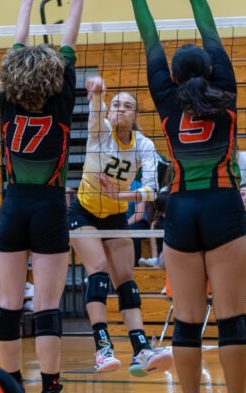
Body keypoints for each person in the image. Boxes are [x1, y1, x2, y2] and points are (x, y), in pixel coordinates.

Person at [117, 0, 246, 393]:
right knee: (232, 317)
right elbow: (213, 35)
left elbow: (150, 41)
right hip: (222, 205)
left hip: (181, 211)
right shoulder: (226, 94)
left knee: (189, 320)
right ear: (212, 70)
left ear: (174, 76)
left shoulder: (166, 99)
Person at [0, 0, 101, 393]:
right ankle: (51, 392)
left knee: (9, 307)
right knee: (48, 309)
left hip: (13, 207)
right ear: (56, 79)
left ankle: (13, 391)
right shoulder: (61, 101)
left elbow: (16, 48)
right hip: (51, 208)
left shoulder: (7, 102)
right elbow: (67, 44)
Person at [68, 77, 172, 376]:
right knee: (98, 268)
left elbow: (153, 190)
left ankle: (140, 349)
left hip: (114, 214)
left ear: (135, 115)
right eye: (116, 105)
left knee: (126, 280)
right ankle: (103, 349)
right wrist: (98, 94)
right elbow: (95, 112)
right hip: (84, 212)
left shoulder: (144, 145)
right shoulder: (100, 132)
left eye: (128, 106)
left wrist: (120, 195)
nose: (121, 110)